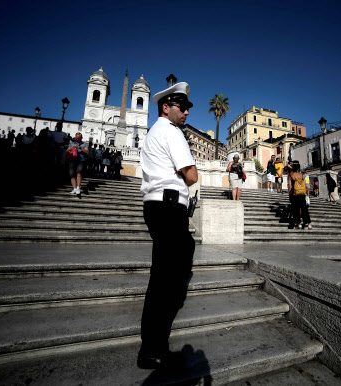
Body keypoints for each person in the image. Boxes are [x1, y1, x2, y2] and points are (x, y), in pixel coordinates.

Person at [138, 81, 198, 370]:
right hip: (168, 206)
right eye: (182, 107)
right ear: (166, 107)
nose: (186, 112)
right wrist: (185, 172)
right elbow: (193, 175)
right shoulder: (171, 132)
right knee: (164, 278)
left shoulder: (153, 132)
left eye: (187, 107)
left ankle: (154, 343)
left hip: (158, 205)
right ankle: (151, 348)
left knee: (170, 268)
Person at [288, 163, 312, 229]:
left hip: (295, 194)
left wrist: (289, 195)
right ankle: (309, 224)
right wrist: (307, 194)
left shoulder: (291, 175)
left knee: (296, 209)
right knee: (305, 209)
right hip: (302, 194)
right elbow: (305, 185)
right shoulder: (301, 175)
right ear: (298, 168)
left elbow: (290, 186)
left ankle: (299, 224)